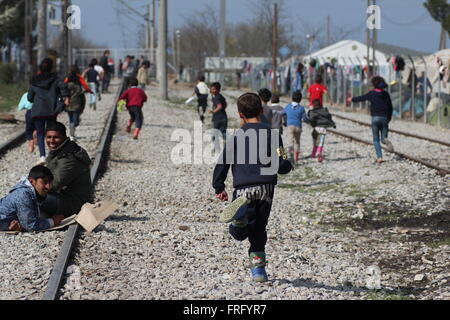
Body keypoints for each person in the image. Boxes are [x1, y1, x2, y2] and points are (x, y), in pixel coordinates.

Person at [212, 92, 293, 282]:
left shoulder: (236, 137)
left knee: (239, 233)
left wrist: (219, 186)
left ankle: (239, 222)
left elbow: (222, 163)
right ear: (261, 110)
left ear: (240, 114)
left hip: (243, 188)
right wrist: (288, 165)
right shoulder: (274, 135)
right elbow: (282, 163)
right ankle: (258, 270)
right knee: (259, 228)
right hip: (266, 189)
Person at [39, 122, 94, 218]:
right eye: (49, 137)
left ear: (64, 137)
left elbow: (55, 183)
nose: (51, 140)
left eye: (56, 137)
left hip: (75, 204)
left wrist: (32, 188)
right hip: (63, 197)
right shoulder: (60, 151)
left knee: (31, 197)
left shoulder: (69, 157)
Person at [27, 58, 70, 165]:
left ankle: (42, 156)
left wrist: (35, 98)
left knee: (40, 134)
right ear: (51, 68)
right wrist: (65, 96)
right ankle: (53, 154)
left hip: (38, 111)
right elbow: (64, 86)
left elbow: (30, 97)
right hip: (51, 110)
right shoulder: (55, 79)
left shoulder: (34, 80)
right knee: (52, 133)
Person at [0, 165, 64, 232]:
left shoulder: (30, 192)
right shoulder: (23, 194)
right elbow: (30, 226)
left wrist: (20, 226)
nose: (48, 186)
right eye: (44, 182)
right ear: (31, 181)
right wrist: (52, 222)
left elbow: (27, 221)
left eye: (50, 182)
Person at [351, 76, 394, 164]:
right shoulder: (386, 94)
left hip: (375, 118)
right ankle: (385, 140)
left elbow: (361, 98)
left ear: (374, 84)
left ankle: (379, 157)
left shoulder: (372, 93)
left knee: (375, 139)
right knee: (383, 138)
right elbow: (390, 107)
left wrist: (352, 99)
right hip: (385, 117)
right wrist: (388, 118)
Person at [64, 65, 93, 141]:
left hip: (69, 100)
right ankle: (72, 133)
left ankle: (72, 134)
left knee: (71, 118)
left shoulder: (67, 77)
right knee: (75, 118)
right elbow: (85, 85)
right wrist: (90, 91)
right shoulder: (79, 77)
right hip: (77, 100)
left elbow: (63, 85)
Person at [282, 90, 308, 163]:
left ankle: (291, 155)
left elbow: (283, 113)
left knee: (290, 141)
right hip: (298, 126)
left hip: (290, 126)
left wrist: (285, 120)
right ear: (300, 99)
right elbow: (305, 118)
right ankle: (296, 157)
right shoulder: (301, 108)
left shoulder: (288, 106)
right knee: (297, 142)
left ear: (292, 98)